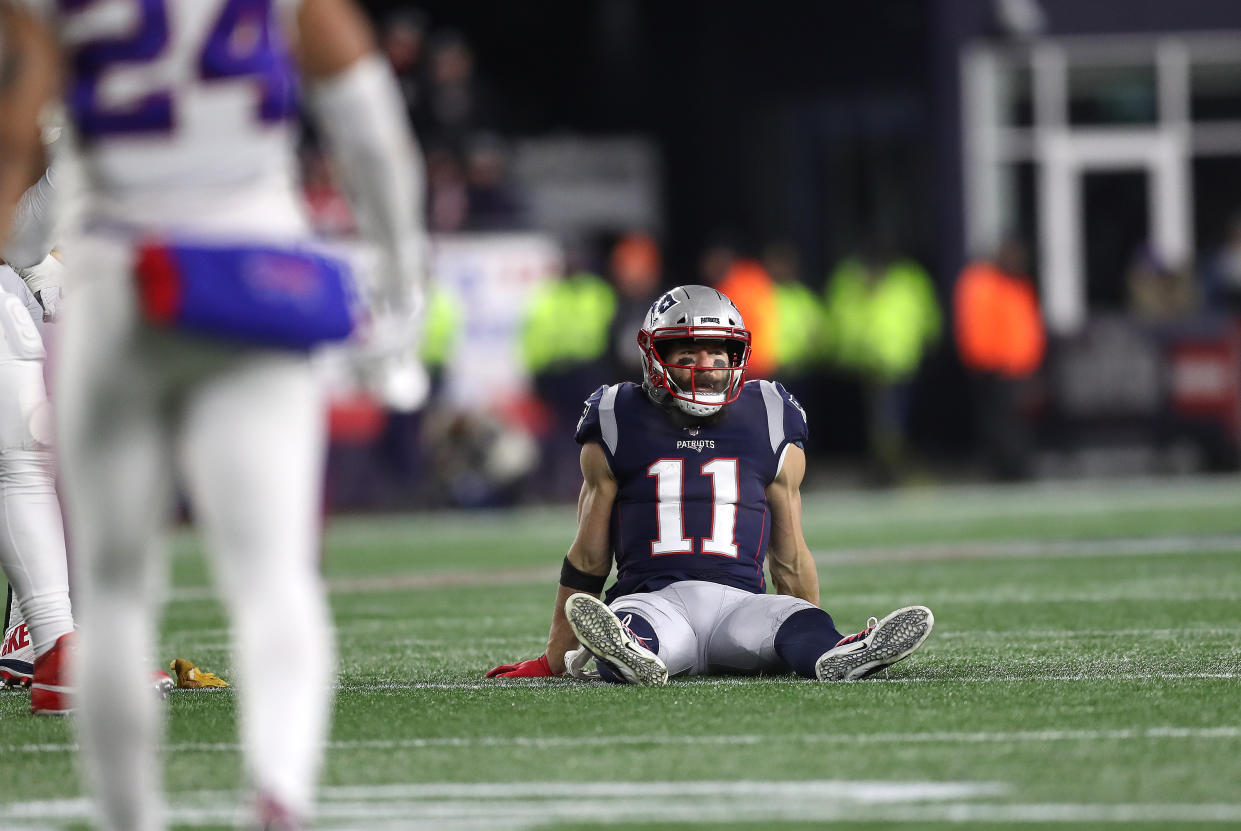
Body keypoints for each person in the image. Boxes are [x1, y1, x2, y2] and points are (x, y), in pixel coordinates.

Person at [0, 2, 426, 830]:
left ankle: (132, 818)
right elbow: (370, 130)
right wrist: (403, 281)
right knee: (274, 578)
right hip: (250, 266)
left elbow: (14, 151)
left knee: (118, 591)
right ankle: (276, 794)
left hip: (118, 278)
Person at [486, 286, 933, 684]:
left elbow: (791, 555)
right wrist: (555, 658)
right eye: (688, 356)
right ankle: (628, 653)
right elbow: (588, 556)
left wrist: (811, 615)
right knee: (624, 626)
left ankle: (837, 652)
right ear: (653, 357)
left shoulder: (769, 413)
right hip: (652, 600)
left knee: (794, 622)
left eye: (719, 356)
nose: (707, 368)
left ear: (737, 359)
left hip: (741, 606)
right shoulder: (618, 413)